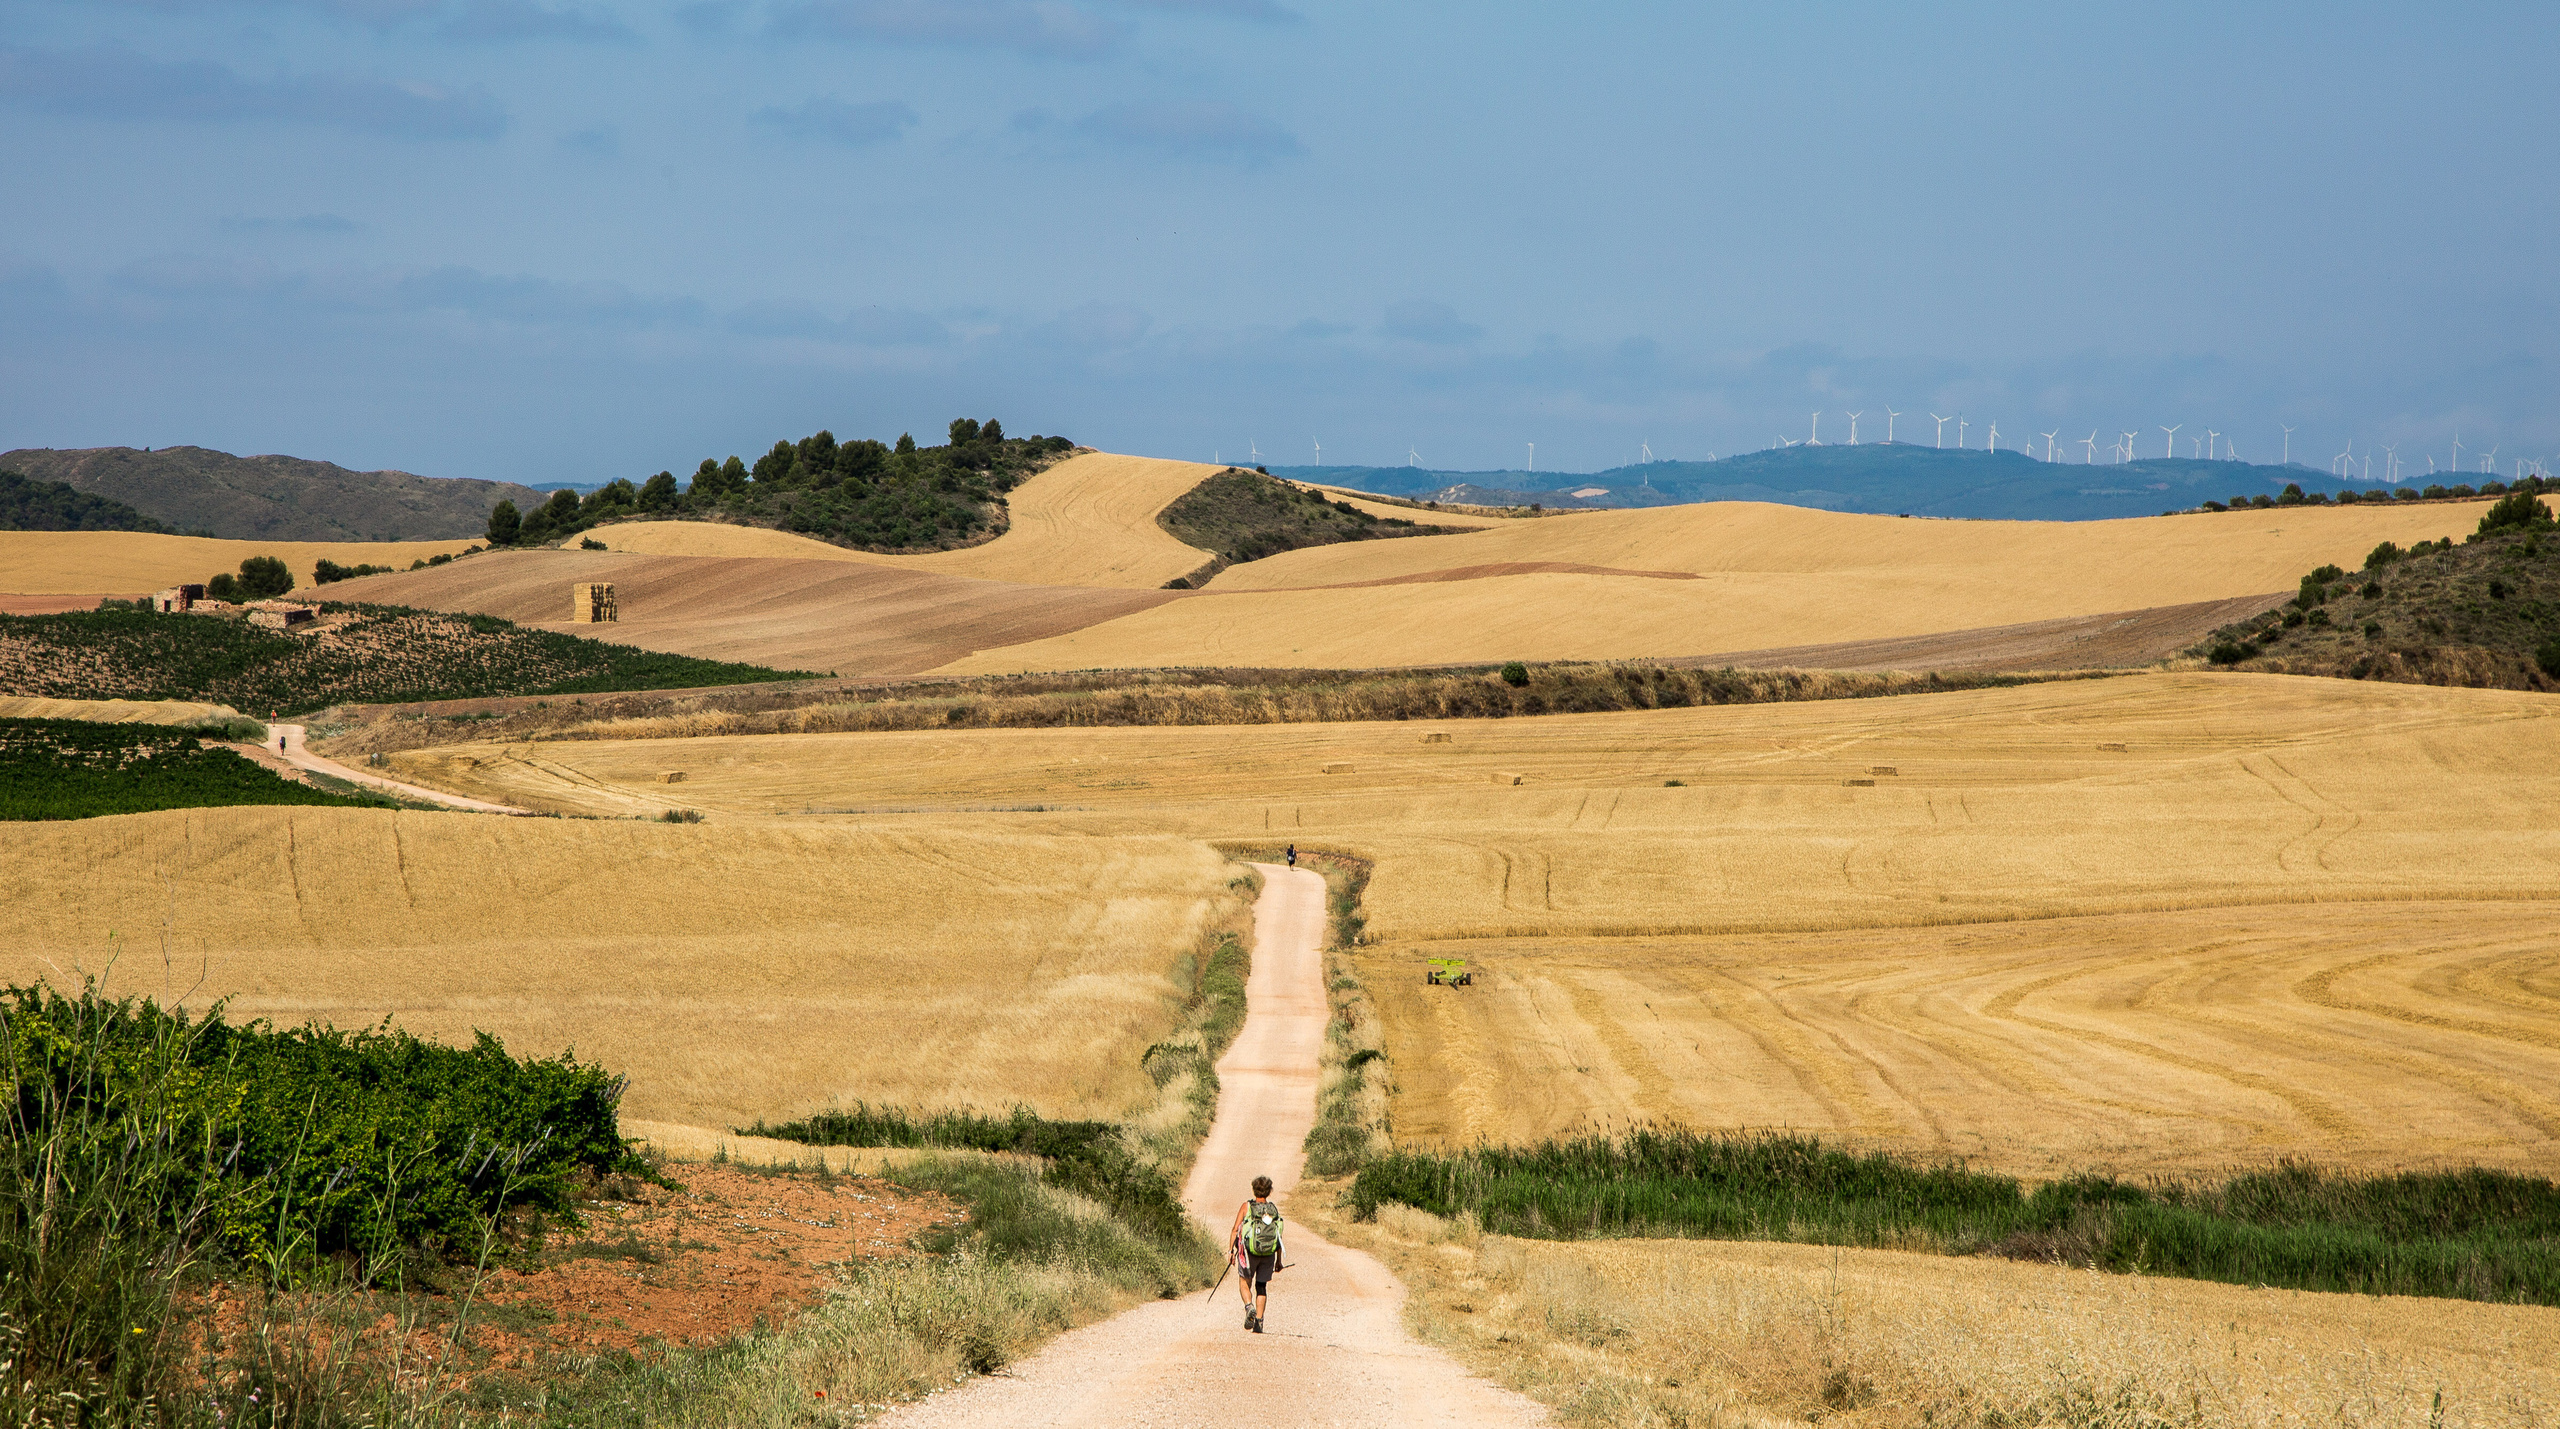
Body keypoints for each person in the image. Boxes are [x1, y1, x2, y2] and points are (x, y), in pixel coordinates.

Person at [1229, 1174, 1283, 1332]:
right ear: (1269, 1191)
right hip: (1268, 1253)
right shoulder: (1273, 1209)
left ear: (1254, 1190)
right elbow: (1278, 1235)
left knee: (1244, 1282)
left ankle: (1249, 1306)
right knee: (1261, 1286)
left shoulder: (1247, 1207)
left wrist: (1231, 1251)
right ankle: (1259, 1321)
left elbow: (1235, 1230)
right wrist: (1278, 1260)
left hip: (1248, 1252)